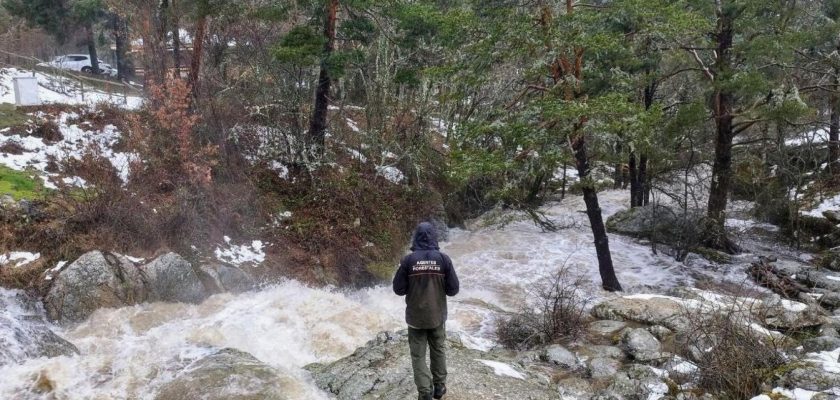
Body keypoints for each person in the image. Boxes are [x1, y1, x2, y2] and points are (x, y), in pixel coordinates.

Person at [393, 222, 459, 400]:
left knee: (418, 355)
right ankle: (439, 387)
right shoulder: (444, 259)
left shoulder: (408, 260)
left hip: (415, 317)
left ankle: (425, 393)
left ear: (416, 237)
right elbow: (453, 290)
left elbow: (398, 289)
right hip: (437, 316)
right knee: (438, 349)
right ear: (434, 237)